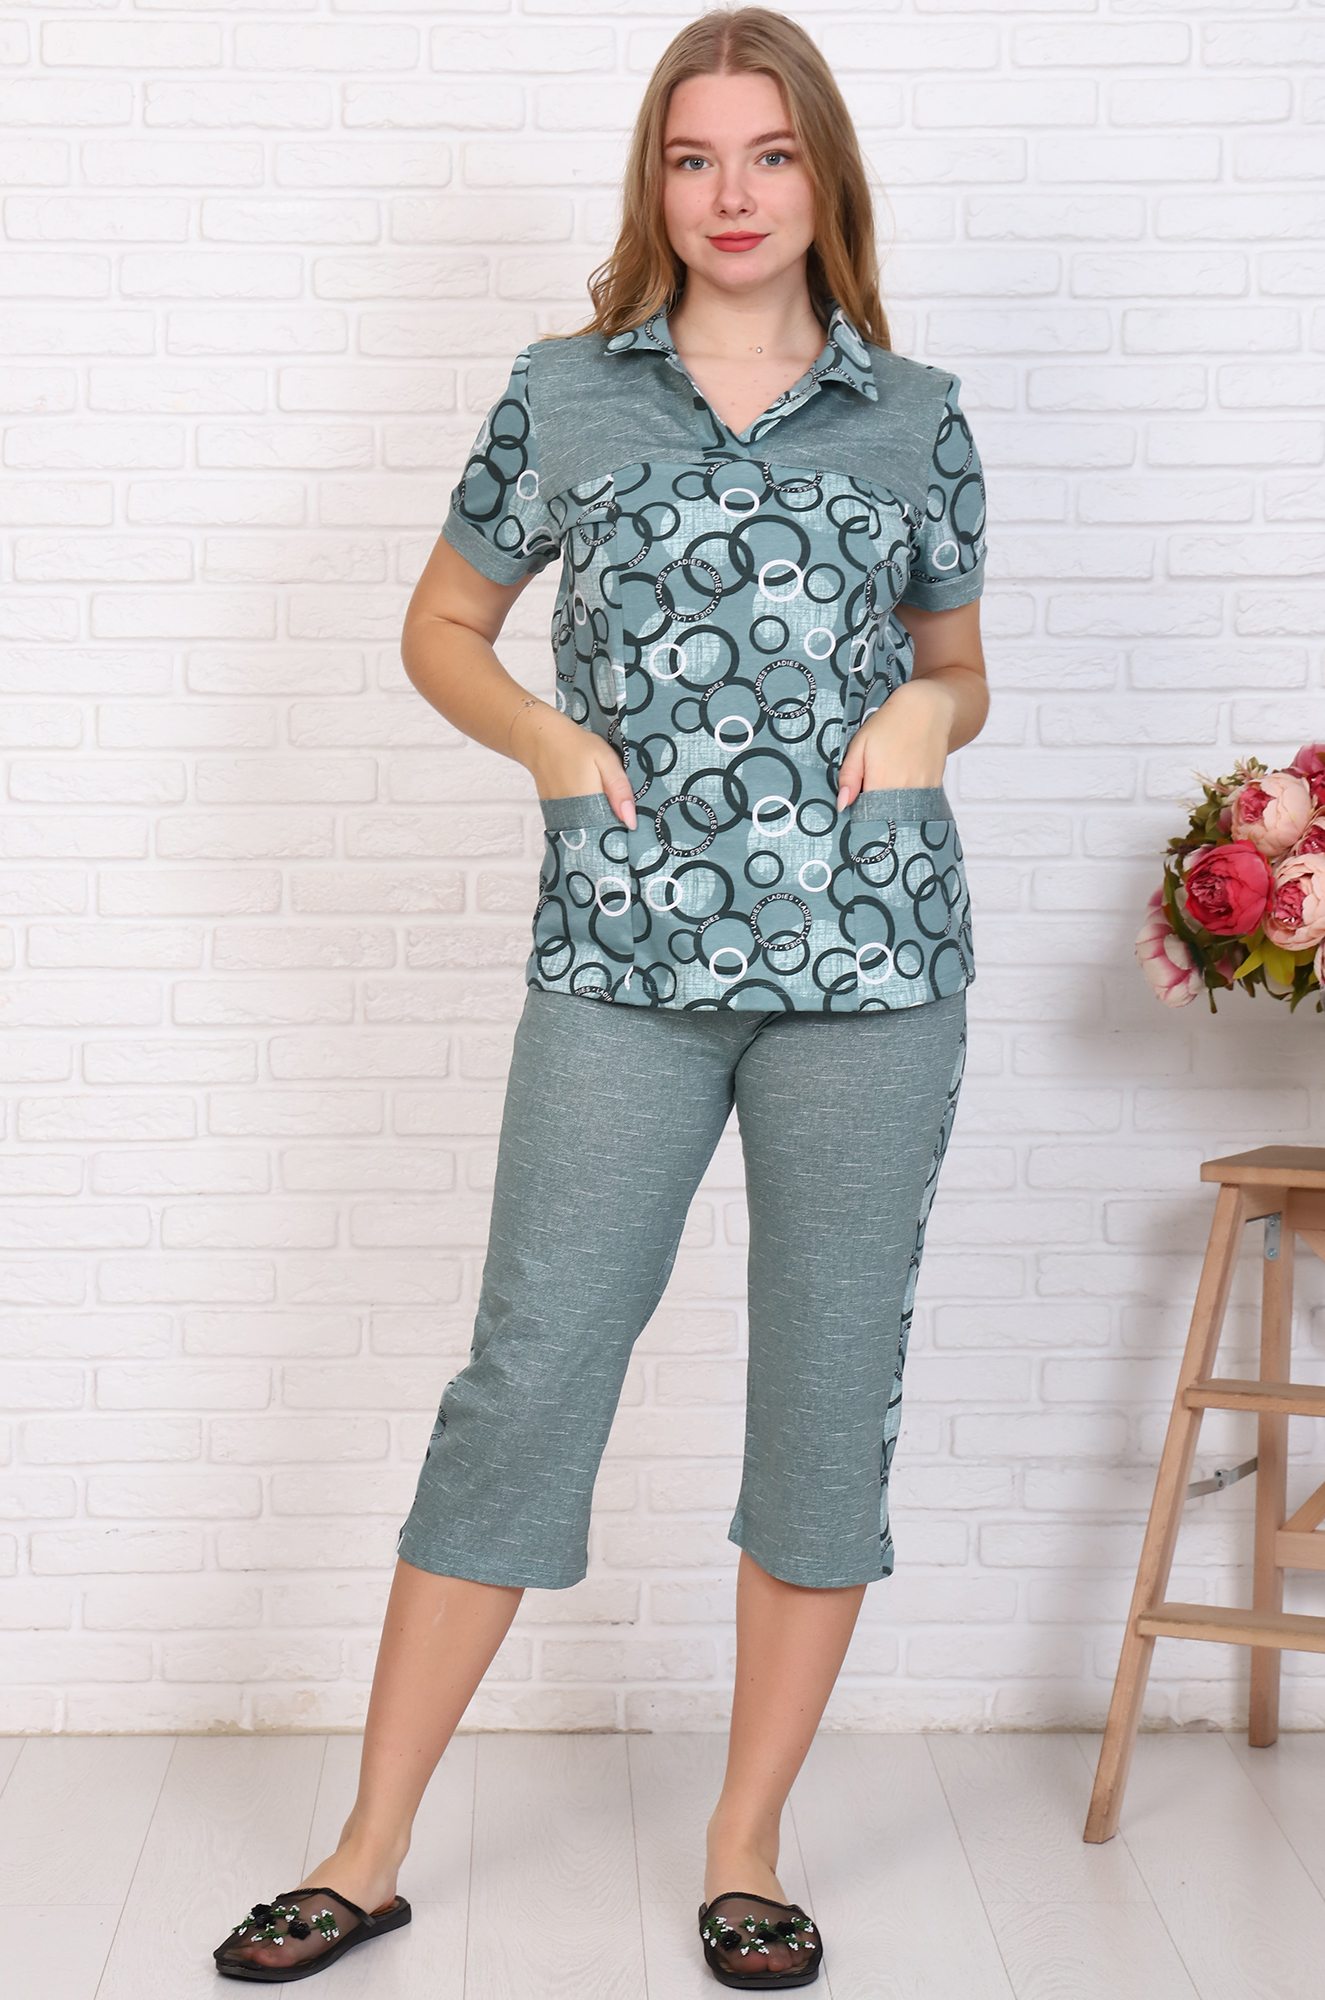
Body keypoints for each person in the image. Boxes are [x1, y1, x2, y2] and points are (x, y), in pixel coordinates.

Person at [212, 6, 988, 1988]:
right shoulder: (563, 394)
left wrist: (929, 715)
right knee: (529, 1371)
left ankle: (746, 1846)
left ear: (823, 177)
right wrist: (552, 748)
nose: (732, 194)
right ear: (656, 180)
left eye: (769, 155)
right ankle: (367, 1847)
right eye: (692, 156)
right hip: (620, 959)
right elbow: (443, 624)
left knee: (827, 1394)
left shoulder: (915, 414)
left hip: (873, 964)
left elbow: (957, 662)